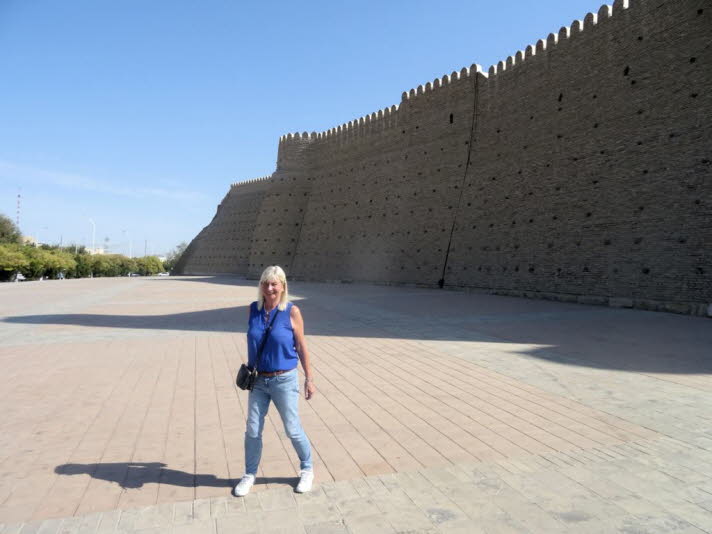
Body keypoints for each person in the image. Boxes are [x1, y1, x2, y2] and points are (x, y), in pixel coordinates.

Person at [233, 265, 316, 497]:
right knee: (252, 430)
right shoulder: (252, 309)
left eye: (274, 283)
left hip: (284, 380)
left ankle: (307, 468)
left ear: (282, 286)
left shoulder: (291, 311)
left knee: (292, 429)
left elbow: (301, 346)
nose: (269, 288)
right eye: (265, 283)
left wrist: (309, 378)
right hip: (259, 381)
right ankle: (249, 475)